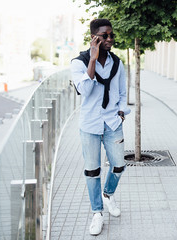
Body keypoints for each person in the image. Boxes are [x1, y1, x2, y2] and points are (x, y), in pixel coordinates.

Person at [70, 18, 130, 236]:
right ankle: (97, 213)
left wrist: (122, 111)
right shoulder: (79, 63)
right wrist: (93, 60)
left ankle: (107, 194)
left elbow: (123, 92)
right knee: (92, 170)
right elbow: (84, 91)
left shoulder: (117, 62)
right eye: (105, 36)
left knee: (119, 165)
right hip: (90, 125)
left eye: (111, 35)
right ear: (93, 37)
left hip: (113, 122)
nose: (110, 39)